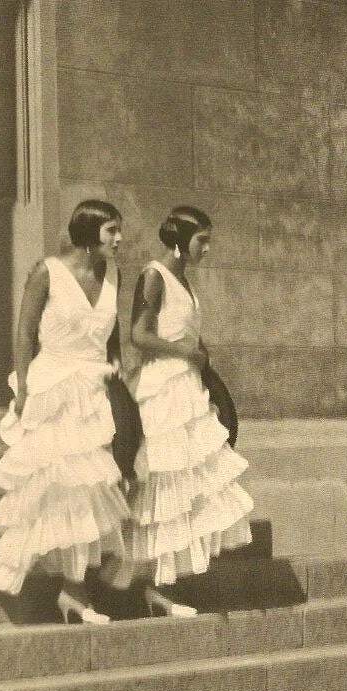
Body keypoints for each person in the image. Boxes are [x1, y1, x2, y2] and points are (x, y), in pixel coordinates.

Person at [0, 199, 133, 624]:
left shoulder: (114, 274)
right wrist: (23, 387)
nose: (119, 239)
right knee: (57, 492)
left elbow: (112, 327)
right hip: (52, 390)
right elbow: (25, 331)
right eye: (111, 231)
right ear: (88, 235)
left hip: (93, 393)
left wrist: (116, 360)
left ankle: (73, 591)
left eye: (119, 231)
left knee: (87, 492)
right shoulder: (47, 272)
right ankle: (70, 591)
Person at [125, 205, 253, 615]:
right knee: (163, 482)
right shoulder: (154, 276)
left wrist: (200, 359)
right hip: (163, 389)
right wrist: (184, 351)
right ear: (180, 241)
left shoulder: (184, 282)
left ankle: (165, 584)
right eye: (202, 240)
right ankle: (153, 586)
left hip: (187, 388)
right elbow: (139, 335)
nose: (208, 248)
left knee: (188, 487)